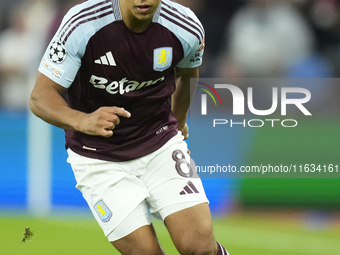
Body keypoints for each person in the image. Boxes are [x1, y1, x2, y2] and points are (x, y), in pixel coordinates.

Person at [30, 0, 230, 254]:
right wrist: (83, 120)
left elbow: (188, 74)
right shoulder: (82, 23)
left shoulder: (185, 26)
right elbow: (40, 96)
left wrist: (178, 124)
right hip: (97, 158)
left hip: (159, 144)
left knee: (201, 248)